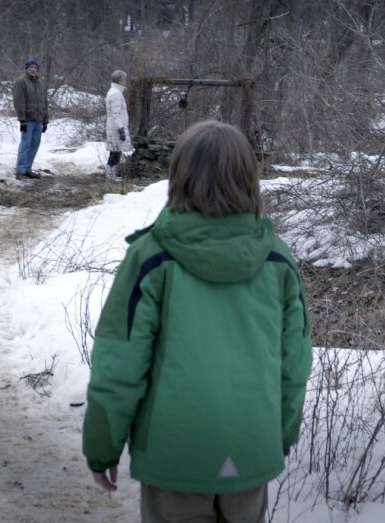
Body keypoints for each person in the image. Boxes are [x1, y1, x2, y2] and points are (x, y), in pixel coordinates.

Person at [82, 120, 313, 523]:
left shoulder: (151, 258)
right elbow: (295, 364)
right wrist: (278, 437)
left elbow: (119, 364)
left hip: (175, 455)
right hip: (250, 450)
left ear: (180, 175)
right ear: (249, 178)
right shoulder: (278, 260)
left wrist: (103, 447)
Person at [13, 58, 49, 179]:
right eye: (31, 67)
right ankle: (20, 170)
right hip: (28, 120)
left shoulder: (39, 83)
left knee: (34, 145)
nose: (33, 69)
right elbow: (19, 102)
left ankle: (28, 169)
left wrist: (45, 121)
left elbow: (44, 102)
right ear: (27, 69)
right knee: (25, 145)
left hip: (39, 120)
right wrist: (22, 120)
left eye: (35, 67)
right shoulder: (21, 81)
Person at [104, 69, 133, 180]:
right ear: (119, 80)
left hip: (115, 127)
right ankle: (110, 176)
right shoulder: (115, 93)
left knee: (115, 152)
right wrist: (121, 129)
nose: (125, 81)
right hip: (116, 128)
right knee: (115, 153)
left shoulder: (115, 92)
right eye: (124, 79)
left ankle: (111, 176)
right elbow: (115, 114)